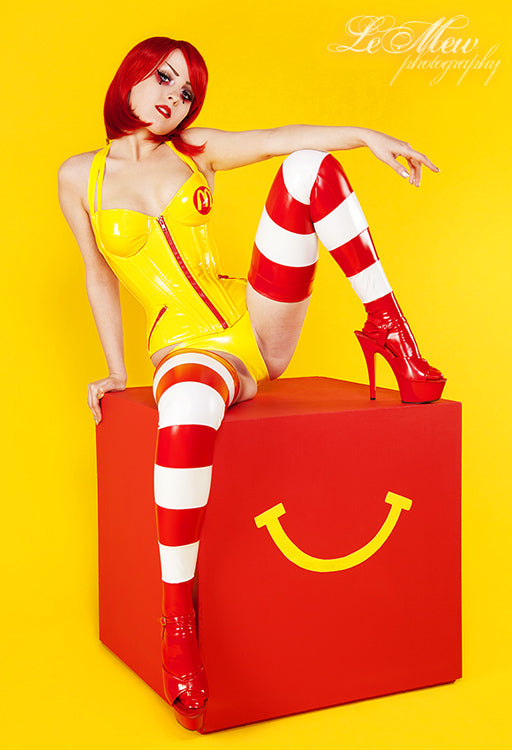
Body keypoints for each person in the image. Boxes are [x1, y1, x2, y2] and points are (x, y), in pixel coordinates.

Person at [58, 36, 445, 731]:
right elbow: (98, 276)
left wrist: (365, 134)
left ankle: (393, 335)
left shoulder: (194, 151)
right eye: (163, 78)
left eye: (185, 92)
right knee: (184, 408)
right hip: (185, 347)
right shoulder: (77, 177)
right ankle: (178, 623)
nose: (173, 98)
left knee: (307, 167)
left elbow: (275, 140)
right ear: (131, 76)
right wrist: (117, 372)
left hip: (253, 320)